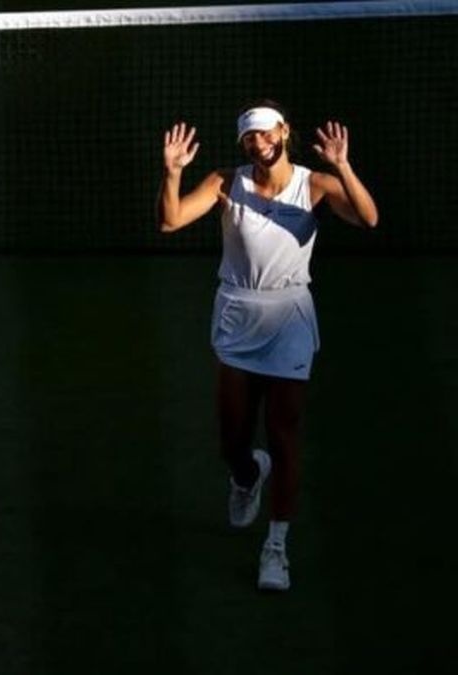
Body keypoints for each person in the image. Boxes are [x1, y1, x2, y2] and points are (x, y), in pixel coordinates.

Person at [156, 100, 378, 591]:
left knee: (283, 433)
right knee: (232, 438)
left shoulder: (314, 184)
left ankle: (276, 547)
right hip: (237, 314)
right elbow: (170, 221)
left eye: (265, 132)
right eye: (249, 138)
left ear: (283, 131)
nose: (259, 143)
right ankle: (246, 474)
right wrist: (171, 174)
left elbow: (367, 219)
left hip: (290, 318)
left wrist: (342, 166)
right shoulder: (223, 182)